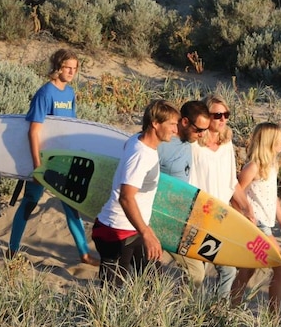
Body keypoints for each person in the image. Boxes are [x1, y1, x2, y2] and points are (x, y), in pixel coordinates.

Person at [7, 49, 98, 265]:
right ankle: (11, 251)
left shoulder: (69, 93)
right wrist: (37, 166)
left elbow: (70, 128)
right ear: (57, 67)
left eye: (75, 68)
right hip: (43, 158)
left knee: (70, 205)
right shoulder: (45, 93)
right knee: (30, 202)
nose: (72, 72)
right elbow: (33, 131)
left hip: (63, 159)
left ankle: (84, 254)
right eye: (68, 67)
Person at [92, 100, 179, 284]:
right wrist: (146, 232)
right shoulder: (141, 155)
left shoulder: (139, 141)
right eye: (171, 124)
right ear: (155, 123)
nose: (175, 130)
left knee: (154, 285)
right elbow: (126, 197)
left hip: (131, 230)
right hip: (117, 232)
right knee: (110, 294)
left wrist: (145, 231)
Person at [190, 95, 254, 298]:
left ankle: (217, 312)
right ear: (206, 116)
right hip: (198, 217)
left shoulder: (226, 144)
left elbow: (231, 182)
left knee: (227, 270)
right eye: (217, 115)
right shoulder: (194, 145)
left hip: (219, 217)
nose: (223, 119)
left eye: (226, 114)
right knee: (196, 273)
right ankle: (191, 313)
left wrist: (247, 208)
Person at [230, 122, 281, 314]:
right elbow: (234, 190)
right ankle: (274, 316)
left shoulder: (271, 166)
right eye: (279, 138)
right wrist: (244, 216)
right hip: (257, 227)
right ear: (270, 141)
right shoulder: (253, 167)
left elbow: (272, 197)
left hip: (267, 225)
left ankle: (232, 310)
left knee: (247, 270)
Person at [157, 100, 210, 286]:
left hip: (179, 218)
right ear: (185, 122)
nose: (202, 134)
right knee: (195, 272)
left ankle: (178, 311)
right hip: (159, 219)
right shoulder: (163, 144)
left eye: (205, 130)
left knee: (194, 272)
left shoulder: (188, 141)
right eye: (199, 130)